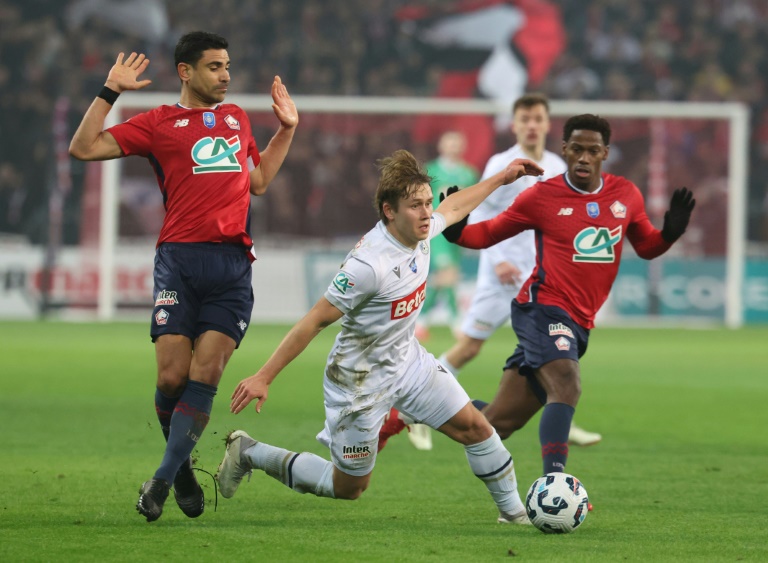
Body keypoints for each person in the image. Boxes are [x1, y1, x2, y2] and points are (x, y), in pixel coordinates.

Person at [215, 150, 545, 525]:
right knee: (349, 488)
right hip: (358, 381)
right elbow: (313, 321)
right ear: (389, 211)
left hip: (408, 363)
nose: (426, 213)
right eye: (415, 206)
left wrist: (503, 177)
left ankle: (515, 515)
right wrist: (264, 376)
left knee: (476, 427)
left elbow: (452, 208)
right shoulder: (368, 266)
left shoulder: (418, 231)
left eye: (425, 203)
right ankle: (250, 452)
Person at [68, 31, 298, 522]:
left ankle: (161, 478)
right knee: (172, 377)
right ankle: (184, 469)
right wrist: (110, 91)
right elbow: (83, 148)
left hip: (232, 267)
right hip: (178, 259)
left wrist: (286, 131)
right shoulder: (157, 124)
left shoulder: (236, 118)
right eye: (215, 66)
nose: (226, 75)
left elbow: (258, 182)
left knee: (206, 374)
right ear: (186, 72)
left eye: (228, 66)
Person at [444, 114, 695, 475]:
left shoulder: (625, 195)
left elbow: (647, 247)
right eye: (576, 149)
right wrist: (456, 230)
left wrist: (670, 233)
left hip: (579, 320)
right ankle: (555, 485)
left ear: (605, 153)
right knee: (567, 382)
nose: (583, 158)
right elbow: (487, 234)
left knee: (498, 422)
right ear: (564, 149)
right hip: (541, 307)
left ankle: (418, 406)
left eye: (592, 151)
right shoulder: (542, 197)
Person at [382, 94, 602, 450]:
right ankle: (412, 407)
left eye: (538, 119)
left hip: (541, 280)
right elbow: (480, 212)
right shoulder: (502, 164)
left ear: (547, 124)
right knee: (469, 347)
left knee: (554, 351)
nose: (532, 125)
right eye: (525, 119)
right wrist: (498, 256)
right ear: (515, 125)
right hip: (500, 277)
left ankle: (562, 419)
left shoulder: (557, 165)